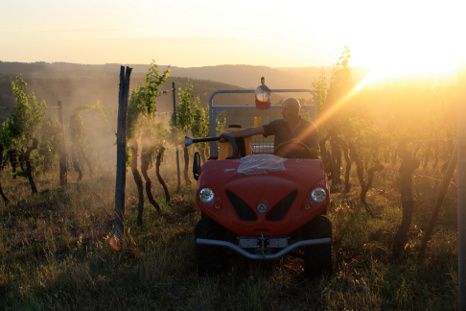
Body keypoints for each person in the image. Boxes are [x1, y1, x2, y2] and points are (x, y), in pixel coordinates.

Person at [219, 97, 318, 158]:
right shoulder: (277, 124)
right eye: (282, 109)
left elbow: (315, 152)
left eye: (285, 109)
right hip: (280, 165)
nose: (282, 112)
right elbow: (254, 130)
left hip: (302, 166)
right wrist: (231, 135)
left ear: (295, 111)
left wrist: (300, 148)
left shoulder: (309, 127)